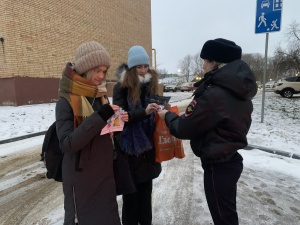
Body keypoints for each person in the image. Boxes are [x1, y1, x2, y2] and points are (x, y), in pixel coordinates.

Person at [158, 38, 257, 225]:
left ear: (214, 63)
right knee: (227, 214)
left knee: (223, 218)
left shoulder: (214, 94)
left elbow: (184, 128)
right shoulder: (238, 91)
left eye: (204, 60)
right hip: (231, 160)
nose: (202, 65)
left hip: (217, 166)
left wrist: (167, 116)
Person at [56, 41, 128, 225]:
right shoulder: (66, 101)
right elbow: (67, 144)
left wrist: (117, 122)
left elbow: (101, 131)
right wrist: (101, 116)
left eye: (104, 71)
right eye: (97, 70)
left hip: (104, 176)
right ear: (86, 69)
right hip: (81, 182)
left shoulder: (99, 96)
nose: (101, 76)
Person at [113, 46, 168, 225]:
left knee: (145, 195)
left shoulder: (150, 84)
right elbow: (119, 119)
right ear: (131, 68)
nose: (143, 70)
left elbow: (153, 113)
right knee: (131, 198)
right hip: (130, 149)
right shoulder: (120, 88)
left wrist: (161, 109)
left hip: (148, 147)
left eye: (145, 66)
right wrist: (144, 112)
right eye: (139, 67)